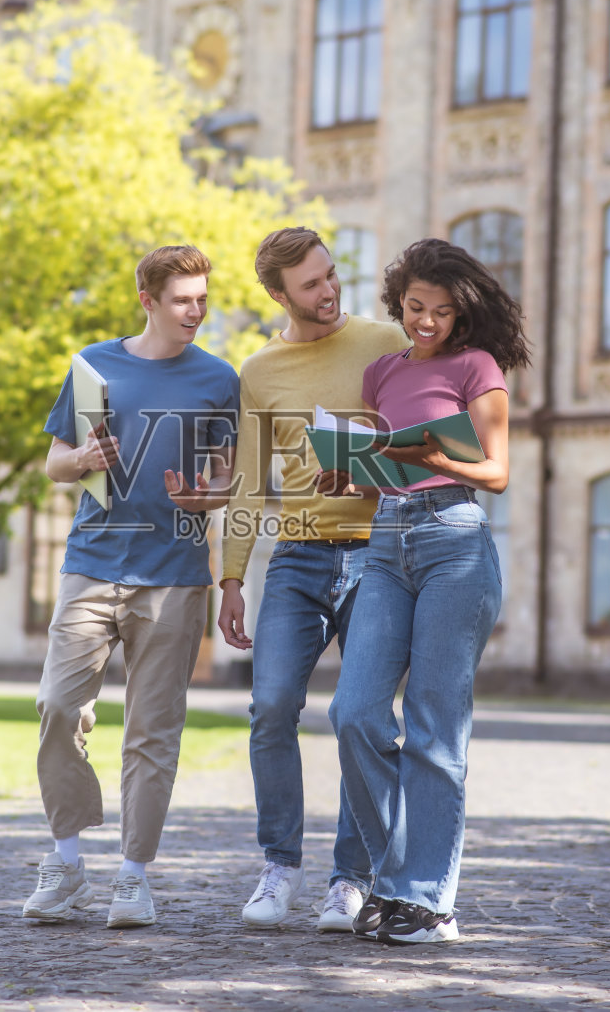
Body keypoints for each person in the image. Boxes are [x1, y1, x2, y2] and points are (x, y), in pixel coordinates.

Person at [25, 245, 239, 929]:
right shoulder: (94, 366)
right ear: (148, 301)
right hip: (92, 564)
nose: (195, 311)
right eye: (182, 300)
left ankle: (133, 875)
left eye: (202, 299)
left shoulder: (218, 379)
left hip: (174, 576)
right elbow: (56, 462)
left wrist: (206, 495)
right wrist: (83, 457)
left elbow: (228, 478)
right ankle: (66, 862)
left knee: (153, 730)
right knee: (59, 706)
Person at [327, 237, 528, 944]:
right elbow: (381, 468)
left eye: (442, 312)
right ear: (398, 303)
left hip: (454, 543)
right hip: (385, 543)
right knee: (354, 712)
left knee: (435, 728)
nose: (427, 321)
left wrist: (441, 456)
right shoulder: (381, 373)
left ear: (461, 314)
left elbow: (496, 472)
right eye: (416, 307)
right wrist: (348, 472)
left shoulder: (478, 366)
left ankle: (427, 901)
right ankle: (393, 880)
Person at [218, 227, 411, 930]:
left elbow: (421, 444)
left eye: (330, 274)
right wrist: (231, 579)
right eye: (311, 284)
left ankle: (350, 880)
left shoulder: (387, 343)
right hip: (297, 557)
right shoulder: (260, 370)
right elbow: (248, 481)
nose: (328, 291)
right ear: (279, 294)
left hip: (379, 555)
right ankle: (280, 865)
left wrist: (368, 465)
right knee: (270, 706)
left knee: (361, 718)